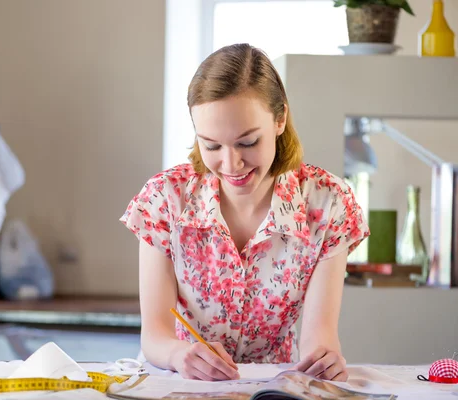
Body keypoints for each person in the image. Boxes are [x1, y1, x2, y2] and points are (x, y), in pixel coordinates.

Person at [120, 43, 369, 382]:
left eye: (247, 142)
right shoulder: (165, 199)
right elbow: (155, 336)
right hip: (179, 381)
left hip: (273, 386)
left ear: (280, 118)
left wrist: (323, 360)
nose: (231, 163)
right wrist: (180, 354)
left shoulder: (327, 204)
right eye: (211, 145)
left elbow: (318, 337)